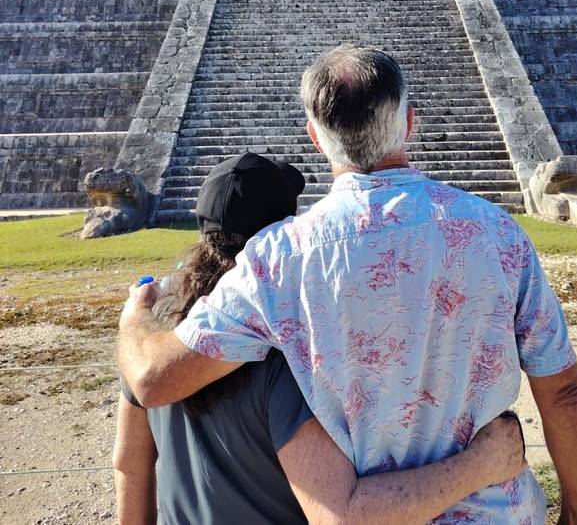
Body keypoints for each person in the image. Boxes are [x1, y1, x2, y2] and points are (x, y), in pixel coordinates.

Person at [119, 46, 577, 524]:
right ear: (409, 122)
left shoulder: (279, 256)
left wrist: (136, 318)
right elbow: (565, 395)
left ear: (315, 137)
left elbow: (154, 381)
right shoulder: (498, 234)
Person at [114, 151, 526, 525]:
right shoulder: (284, 352)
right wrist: (483, 463)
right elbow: (339, 514)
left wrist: (135, 318)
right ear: (283, 232)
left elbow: (130, 467)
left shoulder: (151, 343)